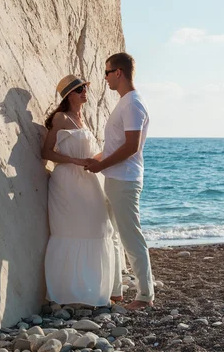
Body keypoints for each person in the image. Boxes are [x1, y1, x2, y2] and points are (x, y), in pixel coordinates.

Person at [86, 52, 154, 310]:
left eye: (106, 72)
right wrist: (91, 160)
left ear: (118, 73)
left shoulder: (133, 103)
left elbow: (131, 147)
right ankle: (116, 291)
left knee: (131, 237)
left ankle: (145, 296)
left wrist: (100, 165)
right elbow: (115, 145)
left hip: (125, 180)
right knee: (114, 236)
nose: (104, 78)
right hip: (115, 179)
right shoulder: (125, 102)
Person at [41, 75, 115, 306]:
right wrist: (74, 160)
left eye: (85, 88)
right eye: (80, 89)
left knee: (100, 227)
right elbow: (46, 152)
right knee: (70, 231)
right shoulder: (60, 118)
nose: (85, 92)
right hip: (67, 183)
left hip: (89, 181)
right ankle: (69, 294)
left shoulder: (83, 120)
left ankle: (93, 291)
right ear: (69, 94)